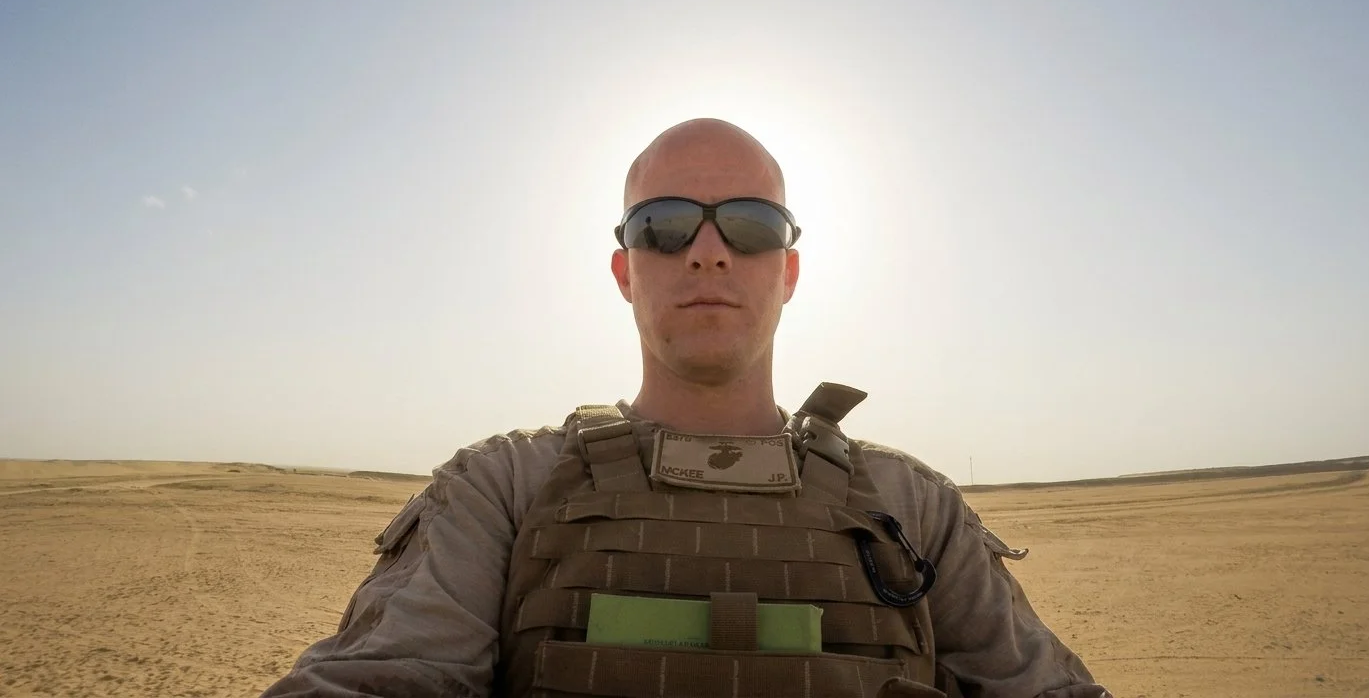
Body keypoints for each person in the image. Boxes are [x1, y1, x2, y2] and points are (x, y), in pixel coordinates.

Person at [259, 119, 1112, 698]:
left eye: (749, 224)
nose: (707, 253)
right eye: (664, 223)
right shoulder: (503, 490)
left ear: (789, 272)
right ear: (626, 270)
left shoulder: (915, 509)